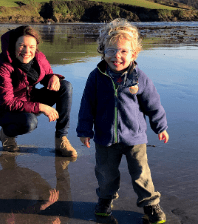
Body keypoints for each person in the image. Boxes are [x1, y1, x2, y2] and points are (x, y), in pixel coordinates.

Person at [76, 19, 169, 224]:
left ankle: (150, 204)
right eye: (111, 51)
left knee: (141, 173)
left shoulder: (139, 77)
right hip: (105, 138)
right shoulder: (96, 77)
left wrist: (160, 126)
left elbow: (152, 103)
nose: (117, 56)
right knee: (105, 173)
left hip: (135, 137)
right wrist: (84, 130)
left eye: (123, 51)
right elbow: (87, 105)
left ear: (134, 53)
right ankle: (105, 200)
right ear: (103, 52)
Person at [0, 25, 77, 157]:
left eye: (32, 47)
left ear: (36, 48)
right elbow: (7, 102)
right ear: (14, 45)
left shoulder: (39, 57)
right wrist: (41, 107)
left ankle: (61, 139)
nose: (27, 51)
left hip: (30, 98)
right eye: (22, 45)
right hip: (4, 110)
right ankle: (6, 134)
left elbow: (46, 74)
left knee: (65, 86)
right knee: (30, 122)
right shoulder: (1, 66)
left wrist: (53, 77)